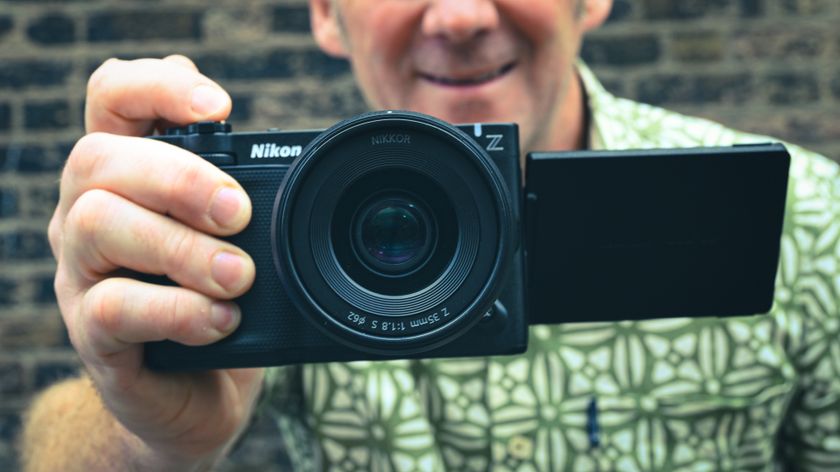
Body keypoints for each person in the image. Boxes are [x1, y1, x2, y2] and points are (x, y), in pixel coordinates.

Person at [21, 0, 840, 470]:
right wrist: (147, 436)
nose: (458, 15)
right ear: (325, 13)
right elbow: (70, 423)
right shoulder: (253, 216)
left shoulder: (809, 214)